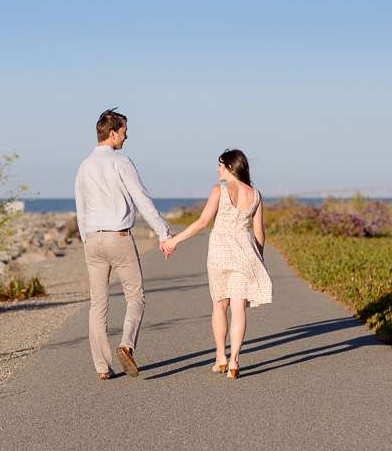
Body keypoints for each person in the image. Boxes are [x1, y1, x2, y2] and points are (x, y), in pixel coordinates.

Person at [75, 108, 172, 380]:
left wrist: (86, 240)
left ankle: (102, 368)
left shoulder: (83, 166)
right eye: (124, 132)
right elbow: (142, 200)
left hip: (93, 239)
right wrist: (163, 233)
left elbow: (80, 209)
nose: (126, 137)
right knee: (135, 297)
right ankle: (126, 345)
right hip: (118, 238)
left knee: (98, 304)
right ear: (113, 133)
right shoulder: (122, 162)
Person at [161, 149, 272, 379]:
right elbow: (259, 231)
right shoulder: (257, 195)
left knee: (219, 307)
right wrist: (258, 258)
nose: (217, 169)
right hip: (245, 252)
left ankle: (220, 356)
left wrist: (174, 240)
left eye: (220, 165)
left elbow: (202, 222)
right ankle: (234, 361)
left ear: (230, 167)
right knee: (239, 308)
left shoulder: (219, 190)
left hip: (220, 252)